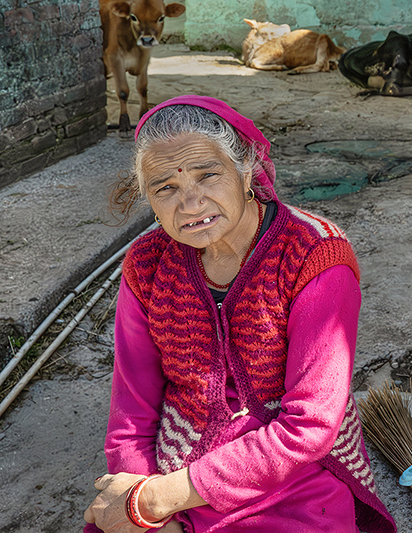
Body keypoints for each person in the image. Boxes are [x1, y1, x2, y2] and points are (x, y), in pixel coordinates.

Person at [84, 95, 395, 533]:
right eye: (166, 188)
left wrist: (157, 499)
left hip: (292, 477)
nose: (190, 204)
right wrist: (146, 507)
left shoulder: (315, 254)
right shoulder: (146, 264)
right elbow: (132, 413)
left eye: (208, 175)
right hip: (170, 464)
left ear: (245, 170)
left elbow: (309, 427)